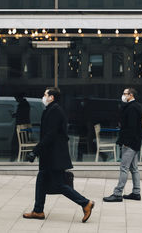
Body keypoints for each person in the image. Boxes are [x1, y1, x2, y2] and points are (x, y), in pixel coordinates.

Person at [23, 87, 94, 222]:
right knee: (41, 180)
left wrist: (35, 151)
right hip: (50, 155)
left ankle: (85, 203)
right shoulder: (52, 110)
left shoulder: (55, 111)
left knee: (60, 185)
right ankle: (38, 211)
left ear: (52, 97)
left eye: (45, 94)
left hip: (54, 156)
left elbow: (51, 135)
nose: (43, 97)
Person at [103, 87, 142, 202]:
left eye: (125, 94)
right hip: (135, 142)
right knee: (134, 168)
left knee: (124, 168)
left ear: (130, 95)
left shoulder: (131, 108)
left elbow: (130, 127)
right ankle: (136, 192)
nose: (123, 96)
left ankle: (117, 193)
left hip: (130, 143)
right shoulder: (137, 106)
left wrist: (126, 142)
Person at [10, 92, 31, 161]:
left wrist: (15, 115)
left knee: (17, 142)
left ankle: (16, 157)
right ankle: (23, 157)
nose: (15, 99)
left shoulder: (23, 105)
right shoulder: (25, 104)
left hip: (21, 126)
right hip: (23, 125)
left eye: (16, 98)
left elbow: (21, 115)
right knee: (22, 141)